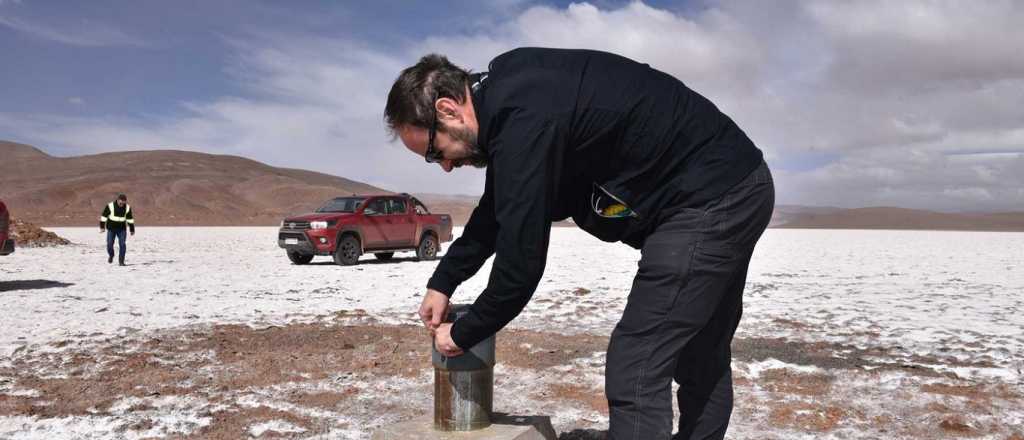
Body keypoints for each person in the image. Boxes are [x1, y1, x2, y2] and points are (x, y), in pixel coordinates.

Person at [384, 48, 774, 440]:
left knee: (637, 361)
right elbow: (498, 208)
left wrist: (463, 333)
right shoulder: (512, 96)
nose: (446, 166)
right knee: (700, 354)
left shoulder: (523, 121)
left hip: (708, 200)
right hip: (735, 182)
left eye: (435, 153)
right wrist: (444, 281)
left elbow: (519, 271)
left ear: (449, 110)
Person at [99, 193, 135, 266]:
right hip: (111, 229)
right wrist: (102, 227)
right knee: (109, 244)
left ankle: (121, 262)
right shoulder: (110, 206)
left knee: (122, 244)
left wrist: (132, 229)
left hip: (122, 229)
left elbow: (130, 219)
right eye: (121, 201)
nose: (122, 203)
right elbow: (103, 217)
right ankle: (111, 255)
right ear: (118, 200)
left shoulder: (127, 208)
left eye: (124, 202)